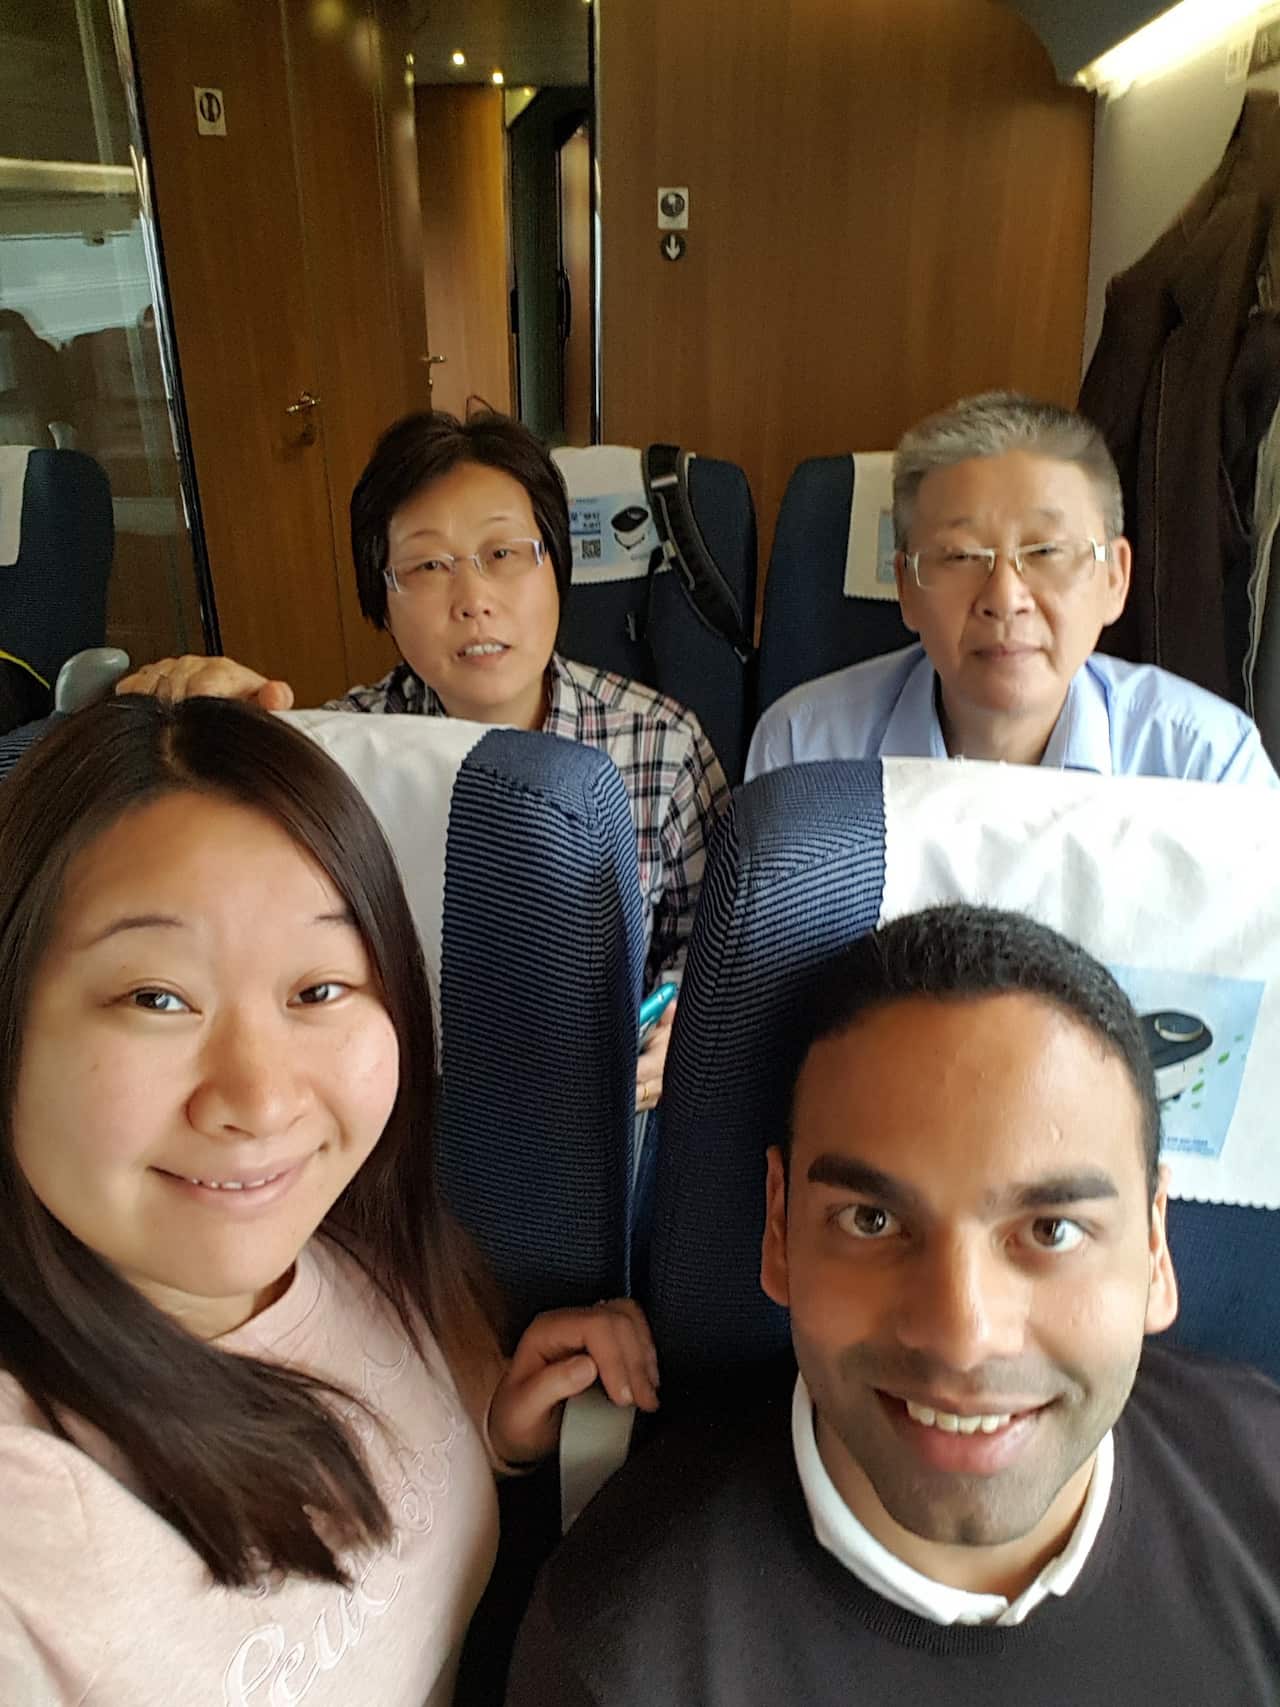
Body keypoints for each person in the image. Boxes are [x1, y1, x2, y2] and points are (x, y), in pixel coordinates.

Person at [0, 695, 658, 1707]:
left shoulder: (352, 1243)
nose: (261, 1099)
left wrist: (499, 1431)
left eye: (319, 991)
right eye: (156, 998)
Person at [505, 905, 1280, 1705]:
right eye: (871, 1221)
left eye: (1051, 1229)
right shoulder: (615, 1659)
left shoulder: (1265, 1482)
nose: (963, 1336)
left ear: (1155, 1247)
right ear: (780, 1228)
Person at [119, 411, 730, 1111]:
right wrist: (210, 735)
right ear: (381, 599)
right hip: (387, 1114)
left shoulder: (662, 741)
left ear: (556, 568)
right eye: (429, 566)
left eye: (504, 554)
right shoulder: (339, 750)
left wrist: (685, 1022)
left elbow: (704, 950)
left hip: (598, 1115)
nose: (474, 601)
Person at [747, 393, 1279, 786]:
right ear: (906, 586)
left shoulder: (1207, 768)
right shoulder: (803, 751)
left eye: (1046, 552)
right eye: (959, 556)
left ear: (1114, 579)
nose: (1004, 597)